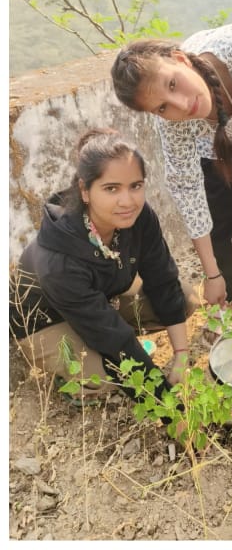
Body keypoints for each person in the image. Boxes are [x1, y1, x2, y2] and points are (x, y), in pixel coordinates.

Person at [111, 23, 232, 341]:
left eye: (173, 84)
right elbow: (188, 192)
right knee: (218, 219)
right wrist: (211, 275)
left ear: (181, 59)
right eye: (162, 107)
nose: (180, 105)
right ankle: (224, 298)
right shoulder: (175, 124)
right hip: (211, 144)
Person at [10, 130, 190, 394]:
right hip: (45, 322)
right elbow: (114, 339)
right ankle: (74, 380)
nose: (127, 201)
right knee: (110, 376)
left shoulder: (138, 217)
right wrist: (170, 409)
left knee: (184, 300)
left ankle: (96, 339)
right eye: (111, 188)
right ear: (85, 190)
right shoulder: (58, 260)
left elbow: (162, 279)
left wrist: (182, 355)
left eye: (135, 186)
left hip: (97, 301)